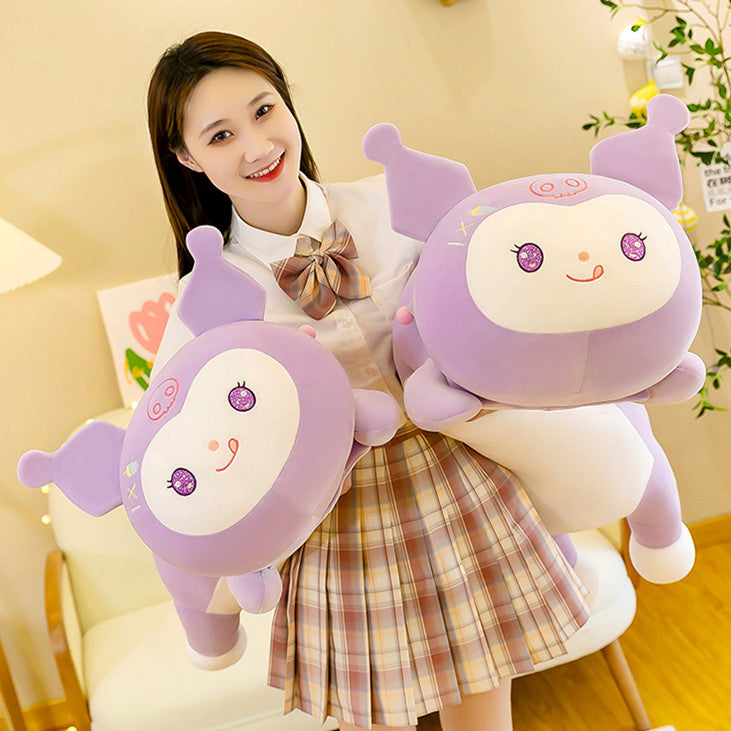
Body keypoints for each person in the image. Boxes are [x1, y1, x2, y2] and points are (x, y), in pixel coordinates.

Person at [146, 31, 588, 731]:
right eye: (221, 134)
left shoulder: (392, 205)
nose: (257, 146)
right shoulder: (208, 297)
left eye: (264, 111)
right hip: (332, 519)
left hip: (456, 478)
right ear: (186, 157)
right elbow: (179, 439)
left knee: (484, 716)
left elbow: (493, 299)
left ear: (287, 102)